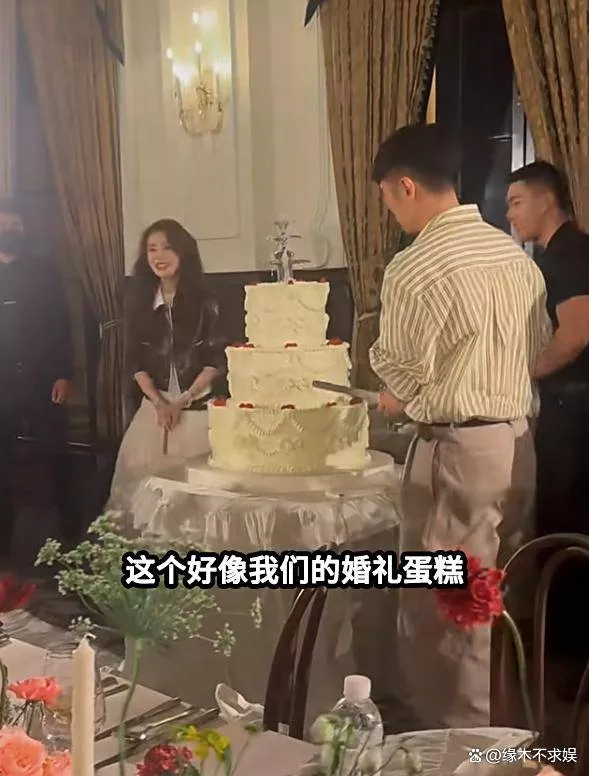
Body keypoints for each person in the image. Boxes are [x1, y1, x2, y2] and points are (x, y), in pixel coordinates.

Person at [369, 124, 550, 728]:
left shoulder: (415, 267)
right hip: (518, 441)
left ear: (406, 186)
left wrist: (402, 398)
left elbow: (400, 371)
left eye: (388, 198)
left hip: (460, 450)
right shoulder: (514, 258)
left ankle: (458, 748)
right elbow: (536, 347)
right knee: (501, 597)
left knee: (449, 610)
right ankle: (508, 730)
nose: (392, 212)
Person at [507, 161, 589, 660]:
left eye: (517, 202)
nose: (511, 214)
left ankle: (566, 656)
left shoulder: (569, 252)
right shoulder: (558, 253)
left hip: (575, 412)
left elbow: (575, 334)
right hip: (567, 408)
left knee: (565, 525)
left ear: (546, 200)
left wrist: (523, 374)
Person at [110, 219, 226, 504]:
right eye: (152, 249)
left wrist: (182, 401)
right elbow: (134, 362)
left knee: (194, 498)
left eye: (167, 247)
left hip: (196, 411)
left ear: (183, 252)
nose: (159, 256)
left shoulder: (207, 302)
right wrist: (160, 403)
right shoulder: (138, 301)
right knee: (144, 496)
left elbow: (215, 361)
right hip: (153, 410)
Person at [0, 197, 75, 560]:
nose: (9, 232)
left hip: (45, 379)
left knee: (55, 453)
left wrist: (64, 374)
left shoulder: (45, 272)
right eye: (3, 227)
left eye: (15, 227)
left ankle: (70, 532)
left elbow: (61, 326)